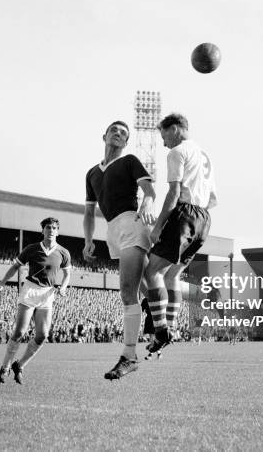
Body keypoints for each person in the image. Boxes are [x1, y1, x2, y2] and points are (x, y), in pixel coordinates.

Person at [84, 120, 156, 379]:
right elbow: (89, 212)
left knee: (128, 292)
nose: (118, 134)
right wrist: (88, 239)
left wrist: (147, 203)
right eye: (114, 130)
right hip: (112, 230)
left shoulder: (130, 161)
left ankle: (129, 355)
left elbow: (149, 190)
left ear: (126, 143)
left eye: (123, 133)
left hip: (131, 223)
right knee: (148, 284)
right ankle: (157, 316)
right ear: (104, 136)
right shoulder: (92, 173)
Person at [144, 113, 218, 354]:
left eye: (164, 136)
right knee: (173, 275)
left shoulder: (177, 152)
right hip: (204, 220)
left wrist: (158, 227)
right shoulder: (204, 155)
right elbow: (213, 199)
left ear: (174, 129)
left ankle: (162, 330)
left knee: (152, 271)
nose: (164, 142)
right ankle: (172, 327)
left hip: (185, 214)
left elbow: (173, 193)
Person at [0, 217, 71, 384]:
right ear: (42, 230)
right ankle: (5, 366)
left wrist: (63, 287)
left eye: (54, 228)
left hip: (47, 293)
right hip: (30, 290)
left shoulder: (63, 252)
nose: (51, 230)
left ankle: (19, 365)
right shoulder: (32, 249)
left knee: (43, 335)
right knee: (20, 332)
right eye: (48, 228)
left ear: (58, 231)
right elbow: (16, 267)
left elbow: (67, 274)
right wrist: (2, 283)